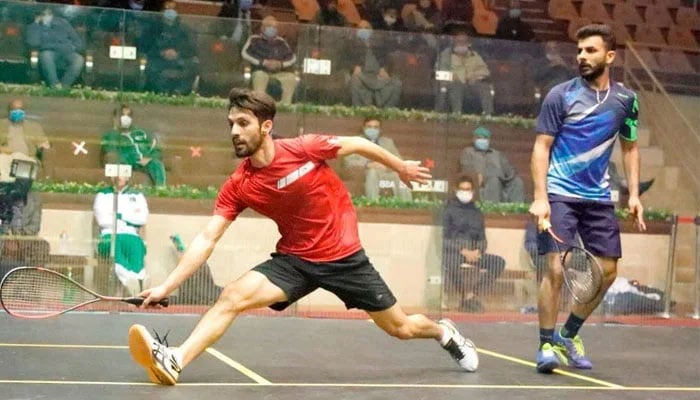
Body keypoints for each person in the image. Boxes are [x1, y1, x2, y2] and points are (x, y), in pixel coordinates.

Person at [127, 88, 478, 385]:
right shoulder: (239, 185)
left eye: (243, 123)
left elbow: (356, 143)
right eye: (231, 124)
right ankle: (175, 359)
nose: (235, 131)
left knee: (401, 328)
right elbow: (207, 238)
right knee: (232, 296)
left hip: (345, 259)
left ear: (266, 126)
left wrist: (399, 167)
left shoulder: (304, 149)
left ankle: (444, 332)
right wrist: (166, 287)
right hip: (296, 261)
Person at [529, 24, 646, 374]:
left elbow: (631, 147)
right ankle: (546, 344)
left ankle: (569, 332)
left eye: (590, 50)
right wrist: (541, 197)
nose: (581, 56)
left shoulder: (626, 100)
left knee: (608, 272)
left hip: (598, 198)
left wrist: (635, 194)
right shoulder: (560, 95)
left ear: (609, 56)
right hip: (560, 193)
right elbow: (541, 147)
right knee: (553, 267)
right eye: (579, 50)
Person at [442, 174, 505, 312]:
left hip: (474, 254)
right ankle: (466, 295)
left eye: (468, 189)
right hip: (455, 253)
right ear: (455, 190)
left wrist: (478, 251)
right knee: (451, 262)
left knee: (498, 262)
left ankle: (473, 295)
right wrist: (463, 251)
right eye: (462, 189)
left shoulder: (477, 212)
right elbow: (443, 239)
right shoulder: (447, 210)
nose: (465, 192)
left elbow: (482, 239)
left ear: (473, 191)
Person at [94, 175, 149, 296]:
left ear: (128, 176)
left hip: (131, 234)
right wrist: (129, 216)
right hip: (108, 235)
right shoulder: (102, 195)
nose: (119, 177)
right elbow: (103, 220)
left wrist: (119, 216)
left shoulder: (137, 195)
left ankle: (139, 278)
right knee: (115, 247)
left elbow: (141, 219)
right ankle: (132, 281)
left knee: (136, 246)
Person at [342, 116, 412, 201]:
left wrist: (386, 165)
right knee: (372, 172)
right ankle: (373, 203)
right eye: (369, 127)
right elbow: (349, 161)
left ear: (380, 130)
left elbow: (399, 160)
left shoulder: (388, 142)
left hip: (385, 172)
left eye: (375, 127)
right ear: (363, 128)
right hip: (364, 173)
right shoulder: (356, 141)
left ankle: (406, 203)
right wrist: (367, 164)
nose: (372, 130)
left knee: (400, 175)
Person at [140, 1, 199, 95]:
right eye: (167, 8)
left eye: (173, 8)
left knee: (193, 65)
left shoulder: (185, 30)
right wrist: (161, 53)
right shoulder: (152, 28)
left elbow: (192, 48)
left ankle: (179, 92)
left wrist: (178, 53)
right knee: (150, 66)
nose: (170, 11)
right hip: (158, 60)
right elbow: (144, 46)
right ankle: (159, 92)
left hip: (180, 60)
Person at [101, 104, 167, 187]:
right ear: (116, 118)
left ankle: (160, 189)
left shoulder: (141, 133)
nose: (126, 118)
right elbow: (110, 150)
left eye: (128, 116)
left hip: (144, 162)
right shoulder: (111, 135)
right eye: (123, 115)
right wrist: (116, 128)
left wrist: (149, 158)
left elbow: (156, 149)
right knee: (120, 165)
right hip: (127, 162)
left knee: (156, 164)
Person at [344, 20, 402, 108]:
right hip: (361, 76)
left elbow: (388, 61)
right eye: (360, 28)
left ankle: (387, 112)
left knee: (396, 83)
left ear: (371, 31)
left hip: (378, 77)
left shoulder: (379, 45)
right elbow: (344, 61)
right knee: (355, 80)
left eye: (366, 28)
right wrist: (354, 67)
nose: (363, 30)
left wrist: (384, 69)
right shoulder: (350, 44)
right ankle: (360, 110)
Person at [241, 16, 299, 105]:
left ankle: (286, 105)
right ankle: (260, 104)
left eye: (275, 27)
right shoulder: (254, 39)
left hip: (278, 71)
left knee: (290, 78)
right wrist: (262, 62)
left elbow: (292, 57)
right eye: (269, 26)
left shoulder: (281, 42)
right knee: (260, 76)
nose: (272, 29)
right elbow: (245, 53)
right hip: (261, 70)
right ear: (262, 28)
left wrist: (280, 64)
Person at [459, 126, 525, 203]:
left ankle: (516, 211)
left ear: (489, 140)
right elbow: (466, 168)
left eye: (485, 138)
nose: (482, 140)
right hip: (484, 182)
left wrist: (510, 177)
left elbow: (509, 171)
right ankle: (492, 210)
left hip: (502, 181)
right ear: (474, 139)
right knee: (494, 180)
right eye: (479, 138)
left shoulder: (497, 154)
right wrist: (475, 177)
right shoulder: (468, 152)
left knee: (517, 182)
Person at [436, 29, 493, 115]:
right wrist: (452, 76)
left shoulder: (474, 55)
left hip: (471, 86)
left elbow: (485, 72)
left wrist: (475, 76)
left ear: (468, 43)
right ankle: (457, 115)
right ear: (454, 42)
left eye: (464, 41)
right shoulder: (446, 55)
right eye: (459, 41)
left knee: (484, 87)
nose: (461, 43)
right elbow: (438, 74)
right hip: (452, 85)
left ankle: (488, 115)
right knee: (456, 86)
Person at [25, 7, 85, 88]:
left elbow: (77, 41)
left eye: (49, 14)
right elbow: (33, 43)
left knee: (79, 60)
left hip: (67, 51)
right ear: (38, 16)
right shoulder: (34, 26)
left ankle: (64, 86)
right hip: (49, 51)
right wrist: (36, 23)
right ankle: (54, 85)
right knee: (46, 56)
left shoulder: (62, 23)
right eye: (43, 14)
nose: (47, 16)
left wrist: (73, 48)